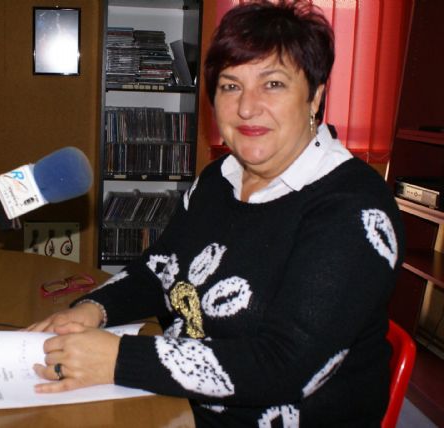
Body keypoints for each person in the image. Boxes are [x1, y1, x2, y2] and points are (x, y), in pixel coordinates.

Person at [27, 1, 405, 426]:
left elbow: (284, 367)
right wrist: (93, 309)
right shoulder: (217, 180)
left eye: (273, 84)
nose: (247, 107)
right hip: (181, 403)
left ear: (314, 95)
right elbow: (159, 269)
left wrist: (118, 359)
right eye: (230, 86)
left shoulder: (354, 209)